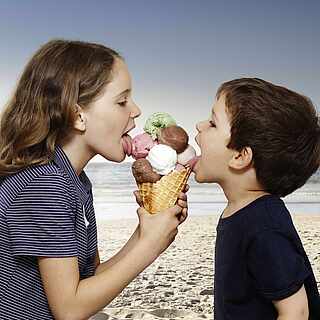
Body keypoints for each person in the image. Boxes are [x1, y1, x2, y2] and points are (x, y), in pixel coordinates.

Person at [0, 40, 189, 320]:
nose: (136, 110)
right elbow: (70, 308)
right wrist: (148, 247)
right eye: (122, 100)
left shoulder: (74, 179)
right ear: (78, 115)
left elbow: (89, 279)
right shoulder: (46, 185)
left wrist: (146, 234)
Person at [193, 78, 320, 320]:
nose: (199, 125)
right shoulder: (242, 210)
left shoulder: (264, 226)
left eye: (212, 123)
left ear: (241, 156)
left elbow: (296, 311)